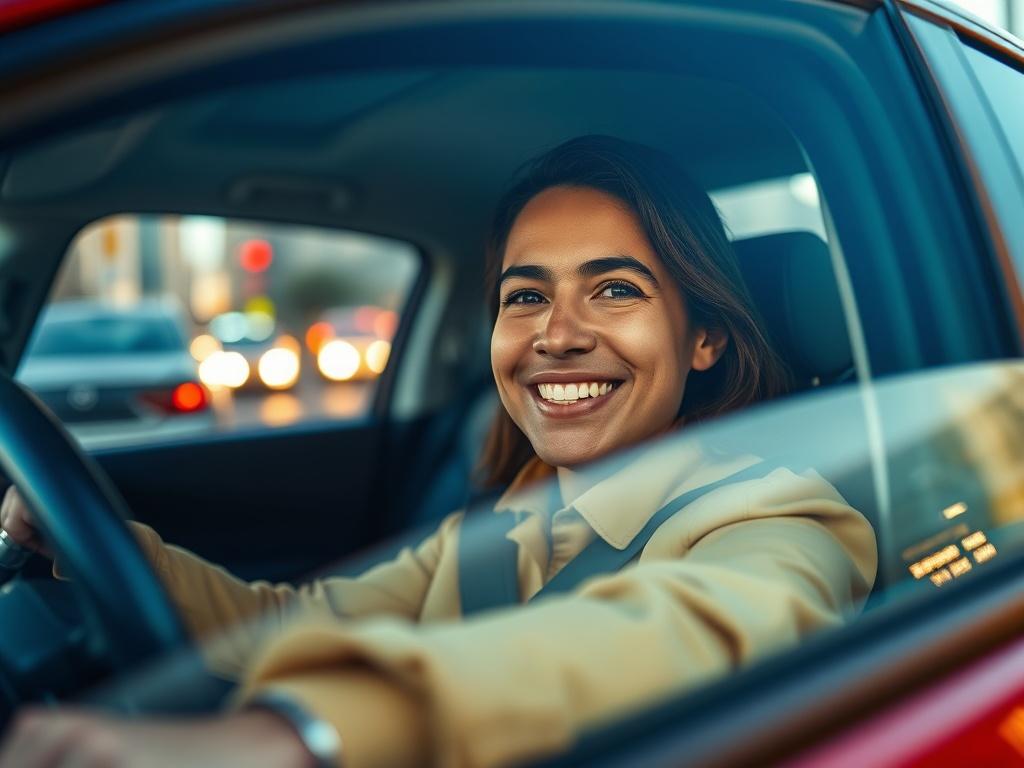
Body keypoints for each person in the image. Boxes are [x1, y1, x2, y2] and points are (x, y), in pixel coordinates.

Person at [0, 136, 876, 768]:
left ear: (703, 341)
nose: (558, 336)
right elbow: (286, 625)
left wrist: (304, 733)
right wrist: (95, 550)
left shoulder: (779, 514)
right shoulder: (503, 522)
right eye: (525, 297)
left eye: (615, 290)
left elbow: (710, 629)